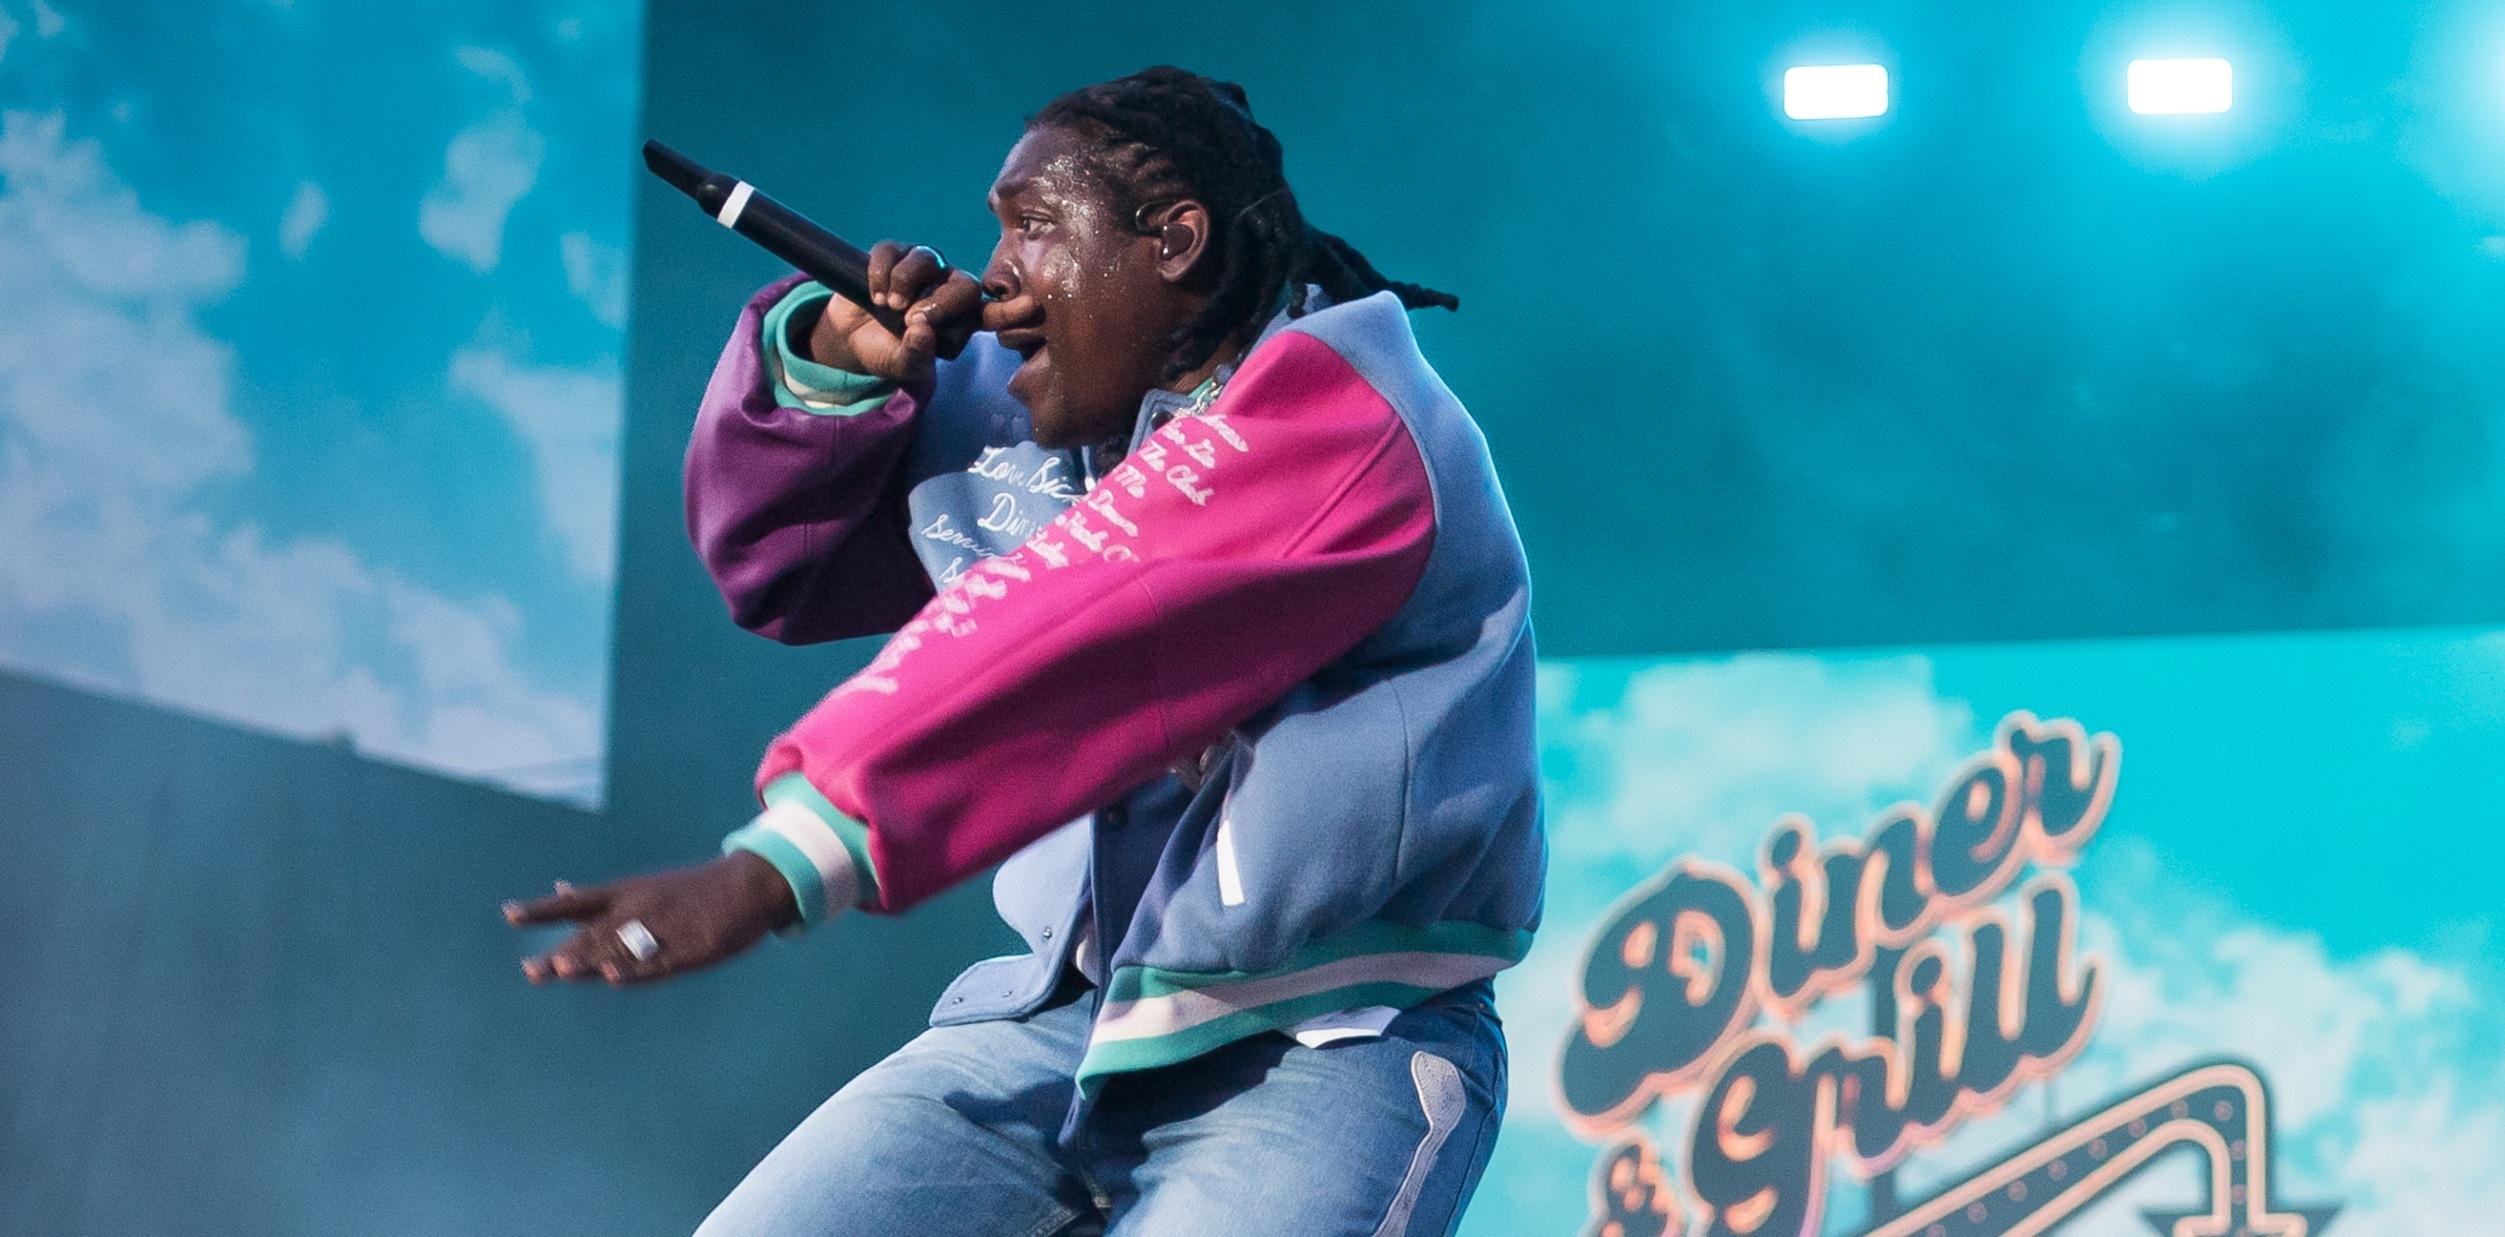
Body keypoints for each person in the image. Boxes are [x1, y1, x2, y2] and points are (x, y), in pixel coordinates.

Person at [502, 66, 1544, 1235]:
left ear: (1175, 242)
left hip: (1332, 1039)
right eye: (995, 228)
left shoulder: (1348, 415)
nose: (992, 272)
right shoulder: (1029, 412)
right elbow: (774, 570)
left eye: (1036, 228)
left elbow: (1071, 626)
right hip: (1058, 1013)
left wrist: (779, 863)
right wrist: (837, 369)